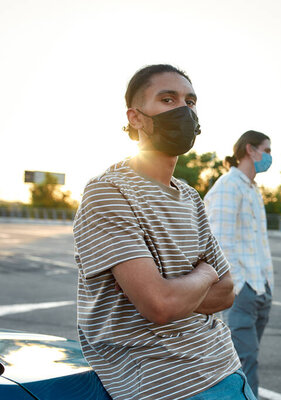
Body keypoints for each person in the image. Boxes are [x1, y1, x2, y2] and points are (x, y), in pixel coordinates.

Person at [74, 64, 256, 400]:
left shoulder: (189, 196)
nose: (184, 110)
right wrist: (204, 275)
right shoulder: (109, 192)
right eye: (168, 99)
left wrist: (178, 290)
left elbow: (227, 292)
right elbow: (160, 305)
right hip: (166, 384)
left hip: (226, 368)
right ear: (136, 117)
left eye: (190, 101)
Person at [204, 130, 274, 398]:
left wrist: (267, 286)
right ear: (250, 150)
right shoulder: (227, 186)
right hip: (242, 292)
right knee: (243, 364)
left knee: (247, 361)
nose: (269, 156)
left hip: (261, 289)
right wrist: (240, 286)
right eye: (267, 150)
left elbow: (259, 243)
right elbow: (221, 244)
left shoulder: (252, 189)